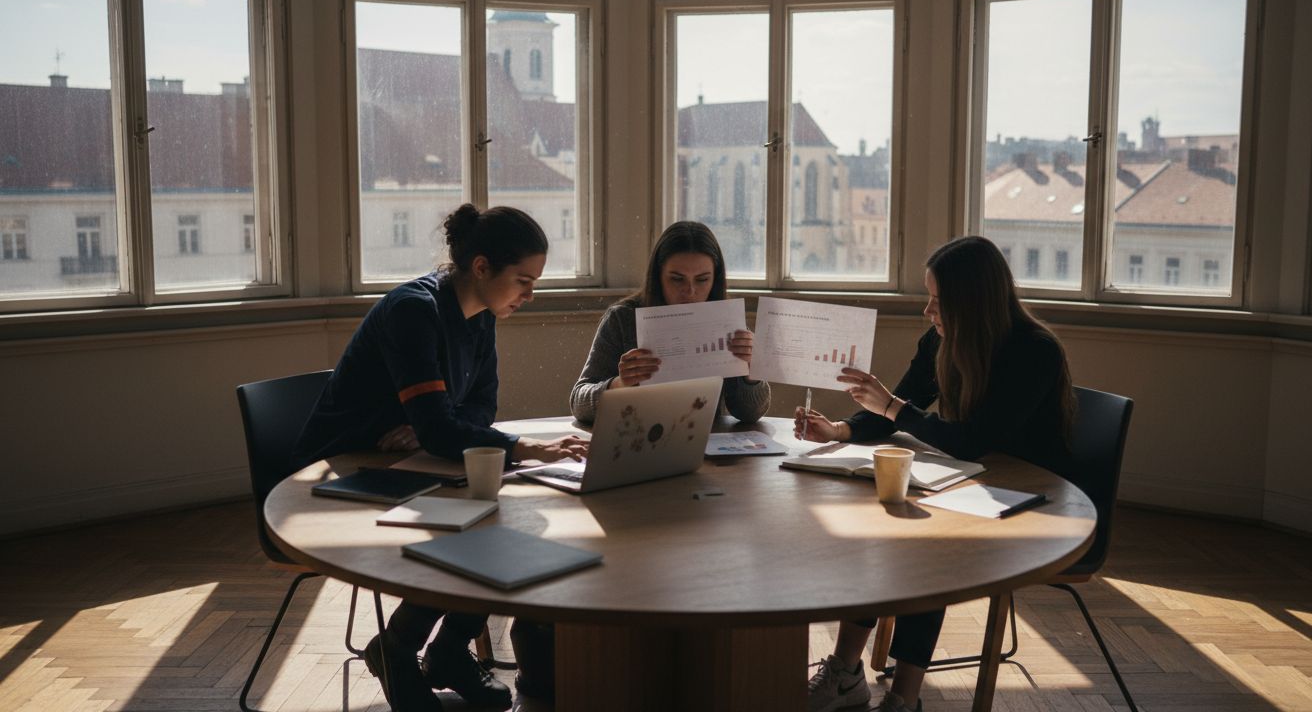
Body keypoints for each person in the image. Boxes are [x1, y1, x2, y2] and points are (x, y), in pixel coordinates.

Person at [293, 203, 588, 712]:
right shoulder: (415, 310)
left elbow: (476, 410)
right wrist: (518, 446)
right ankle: (400, 648)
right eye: (523, 280)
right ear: (481, 268)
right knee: (482, 530)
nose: (530, 295)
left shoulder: (480, 316)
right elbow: (444, 425)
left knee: (499, 522)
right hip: (341, 473)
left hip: (406, 465)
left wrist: (437, 427)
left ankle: (446, 651)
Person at [795, 235, 1075, 712]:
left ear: (974, 304)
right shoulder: (942, 340)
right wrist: (839, 429)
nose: (928, 311)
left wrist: (891, 406)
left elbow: (972, 438)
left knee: (925, 549)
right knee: (878, 530)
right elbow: (895, 409)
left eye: (938, 301)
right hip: (969, 486)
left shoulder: (1034, 351)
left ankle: (904, 698)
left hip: (1029, 507)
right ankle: (845, 674)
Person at [569, 220, 771, 424]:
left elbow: (750, 413)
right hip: (635, 441)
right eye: (677, 279)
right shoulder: (622, 319)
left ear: (715, 279)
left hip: (705, 444)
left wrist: (752, 372)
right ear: (658, 276)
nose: (690, 291)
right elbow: (579, 403)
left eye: (702, 280)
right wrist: (621, 384)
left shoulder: (727, 323)